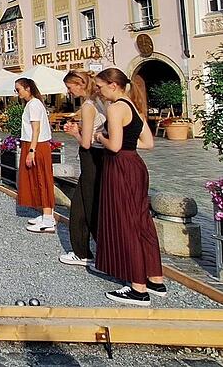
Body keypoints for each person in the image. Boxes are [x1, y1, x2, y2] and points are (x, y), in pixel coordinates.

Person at [94, 68, 166, 306]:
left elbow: (113, 146)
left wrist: (100, 137)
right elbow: (149, 143)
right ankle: (155, 279)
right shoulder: (133, 106)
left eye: (100, 86)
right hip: (136, 164)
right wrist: (125, 143)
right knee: (142, 221)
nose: (99, 91)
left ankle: (138, 288)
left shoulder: (115, 108)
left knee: (126, 223)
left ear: (113, 85)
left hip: (120, 167)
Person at [60, 70, 107, 267]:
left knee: (86, 205)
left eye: (70, 88)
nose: (69, 92)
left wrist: (74, 132)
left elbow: (86, 143)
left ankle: (93, 253)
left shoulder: (88, 105)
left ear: (79, 84)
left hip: (91, 157)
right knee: (85, 205)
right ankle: (86, 251)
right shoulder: (100, 101)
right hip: (101, 156)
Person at [15, 78, 56, 234]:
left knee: (41, 179)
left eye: (18, 89)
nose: (17, 93)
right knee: (37, 179)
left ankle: (48, 218)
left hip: (36, 145)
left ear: (27, 88)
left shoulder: (34, 105)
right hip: (34, 144)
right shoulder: (34, 104)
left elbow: (36, 129)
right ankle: (46, 214)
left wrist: (31, 151)